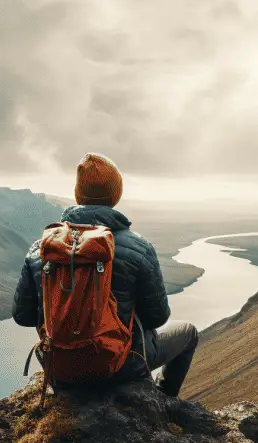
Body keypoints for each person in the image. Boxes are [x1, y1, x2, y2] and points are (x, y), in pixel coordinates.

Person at [12, 153, 199, 397]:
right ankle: (163, 400)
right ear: (115, 195)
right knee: (189, 333)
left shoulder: (42, 248)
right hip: (121, 366)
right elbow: (157, 317)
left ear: (78, 194)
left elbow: (22, 316)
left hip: (59, 367)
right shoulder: (139, 247)